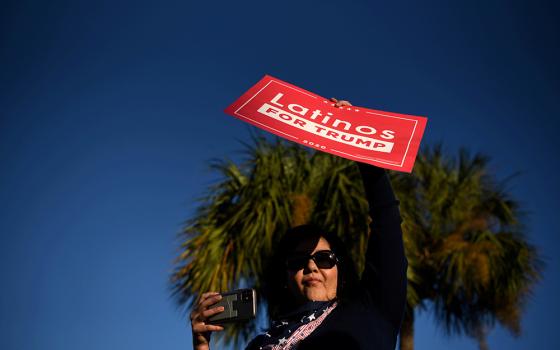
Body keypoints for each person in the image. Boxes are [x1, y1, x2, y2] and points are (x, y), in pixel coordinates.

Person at [190, 99, 408, 350]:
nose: (311, 266)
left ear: (341, 268)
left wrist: (356, 139)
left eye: (324, 258)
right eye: (298, 261)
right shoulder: (261, 344)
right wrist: (201, 344)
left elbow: (387, 222)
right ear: (284, 277)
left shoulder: (370, 310)